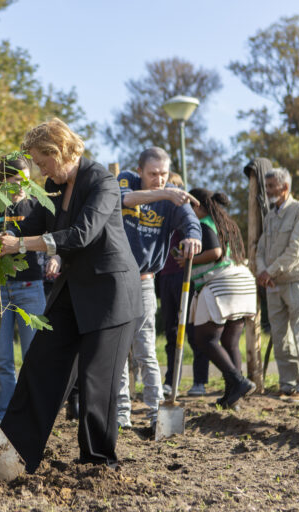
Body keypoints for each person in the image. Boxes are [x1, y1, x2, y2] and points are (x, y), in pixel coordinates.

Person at [0, 118, 142, 473]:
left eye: (43, 162)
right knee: (40, 363)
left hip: (112, 295)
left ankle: (98, 464)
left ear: (58, 152)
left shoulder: (102, 181)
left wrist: (21, 244)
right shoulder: (53, 187)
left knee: (95, 380)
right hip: (73, 293)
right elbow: (28, 228)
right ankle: (13, 456)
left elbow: (82, 234)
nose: (40, 170)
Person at [115, 147, 201, 429]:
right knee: (118, 350)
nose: (160, 179)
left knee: (145, 350)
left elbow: (190, 220)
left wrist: (191, 237)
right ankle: (120, 416)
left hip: (144, 282)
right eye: (153, 174)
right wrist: (165, 194)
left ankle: (155, 414)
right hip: (115, 282)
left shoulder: (173, 193)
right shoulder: (126, 180)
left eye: (164, 174)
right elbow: (124, 200)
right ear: (140, 171)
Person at [0, 156, 46, 427]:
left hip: (30, 285)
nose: (19, 185)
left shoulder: (38, 205)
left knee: (33, 357)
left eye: (24, 179)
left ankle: (33, 414)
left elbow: (50, 241)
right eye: (13, 181)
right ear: (2, 181)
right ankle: (4, 413)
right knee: (2, 358)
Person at [183, 188, 257, 408]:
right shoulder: (227, 223)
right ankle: (233, 397)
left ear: (196, 205)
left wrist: (188, 260)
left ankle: (238, 382)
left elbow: (215, 252)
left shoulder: (204, 223)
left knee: (204, 339)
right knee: (230, 342)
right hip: (242, 280)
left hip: (222, 284)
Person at [256, 167, 299, 403]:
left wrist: (268, 271)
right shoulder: (271, 215)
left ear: (285, 187)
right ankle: (288, 385)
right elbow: (260, 249)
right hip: (272, 283)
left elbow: (297, 249)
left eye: (272, 186)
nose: (268, 191)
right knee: (280, 335)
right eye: (267, 186)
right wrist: (262, 271)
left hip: (295, 280)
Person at [158, 173, 209, 397]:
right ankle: (171, 380)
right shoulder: (158, 210)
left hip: (184, 277)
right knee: (170, 332)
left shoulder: (184, 213)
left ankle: (199, 380)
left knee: (190, 331)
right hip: (165, 276)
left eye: (174, 187)